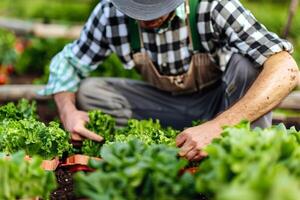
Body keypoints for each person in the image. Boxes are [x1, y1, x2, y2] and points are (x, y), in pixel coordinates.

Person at [39, 0, 299, 161]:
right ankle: (180, 140)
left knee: (247, 66)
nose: (147, 16)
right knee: (90, 91)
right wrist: (68, 112)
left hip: (221, 105)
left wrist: (220, 126)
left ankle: (247, 158)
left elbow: (286, 69)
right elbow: (67, 64)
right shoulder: (110, 13)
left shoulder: (214, 6)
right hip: (163, 106)